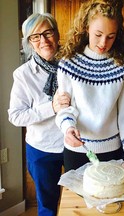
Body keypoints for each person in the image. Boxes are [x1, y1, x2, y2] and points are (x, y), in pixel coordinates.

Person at [55, 0, 124, 171]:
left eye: (110, 36)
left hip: (113, 152)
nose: (103, 43)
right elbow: (65, 106)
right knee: (77, 198)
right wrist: (68, 128)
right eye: (98, 34)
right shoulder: (68, 65)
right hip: (77, 150)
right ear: (87, 28)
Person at [8, 13, 70, 216]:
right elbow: (16, 116)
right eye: (35, 36)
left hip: (74, 144)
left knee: (78, 198)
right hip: (42, 149)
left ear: (57, 34)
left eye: (47, 33)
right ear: (29, 43)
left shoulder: (73, 65)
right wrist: (51, 107)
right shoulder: (23, 75)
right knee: (47, 205)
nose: (43, 40)